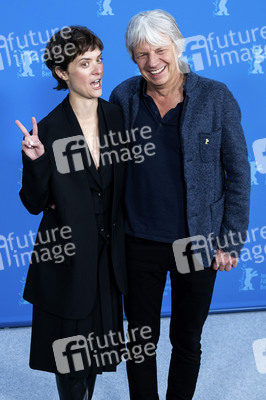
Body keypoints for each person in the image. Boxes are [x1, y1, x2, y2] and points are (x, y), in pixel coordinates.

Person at [109, 9, 251, 400]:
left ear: (177, 45)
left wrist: (230, 241)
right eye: (141, 54)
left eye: (159, 49)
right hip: (138, 241)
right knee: (140, 343)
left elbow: (238, 173)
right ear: (132, 58)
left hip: (197, 243)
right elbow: (105, 165)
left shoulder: (215, 97)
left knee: (186, 339)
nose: (152, 62)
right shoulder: (123, 97)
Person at [16, 26, 127, 400]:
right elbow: (34, 204)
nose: (96, 71)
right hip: (67, 265)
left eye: (99, 60)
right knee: (72, 365)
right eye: (84, 63)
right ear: (63, 73)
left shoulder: (119, 117)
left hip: (108, 264)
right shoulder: (45, 131)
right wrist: (34, 162)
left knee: (94, 359)